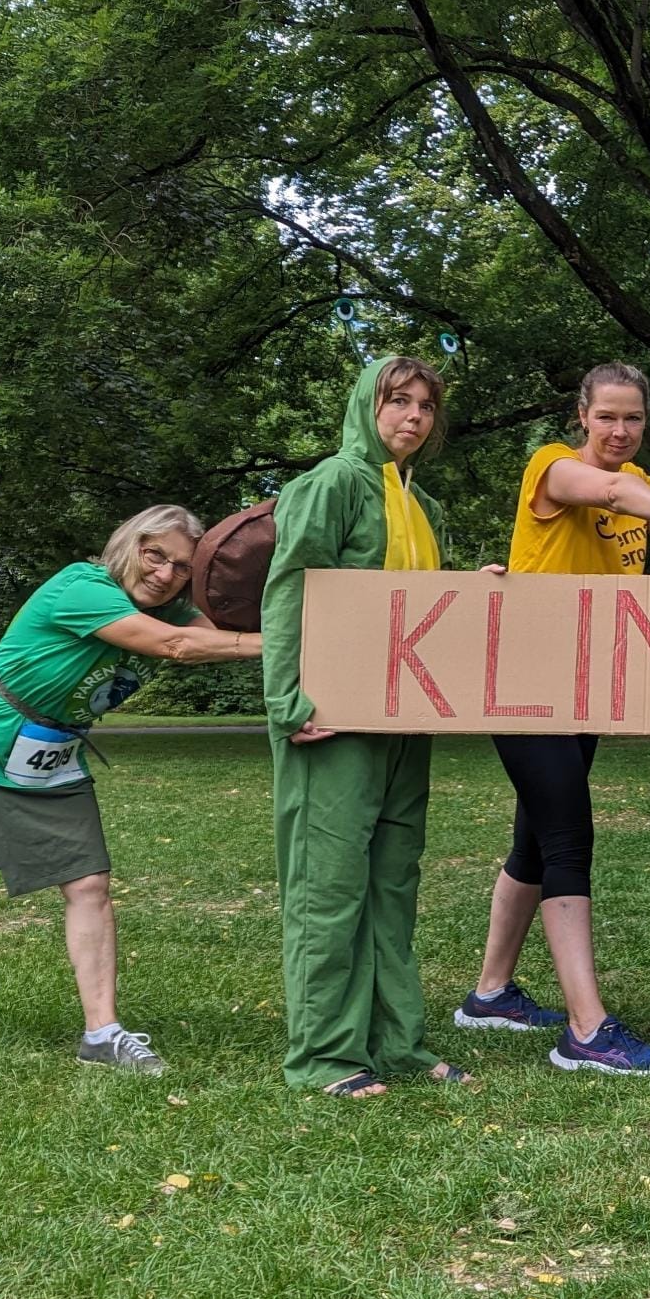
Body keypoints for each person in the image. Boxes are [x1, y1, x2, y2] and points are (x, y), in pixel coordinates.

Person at [0, 505, 259, 1072]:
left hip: (52, 751)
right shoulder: (82, 586)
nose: (164, 573)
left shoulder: (177, 611)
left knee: (89, 883)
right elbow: (177, 647)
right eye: (156, 555)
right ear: (129, 545)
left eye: (181, 566)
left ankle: (102, 1034)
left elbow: (220, 640)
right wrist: (279, 641)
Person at [454, 361, 650, 1076]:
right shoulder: (552, 467)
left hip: (583, 690)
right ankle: (586, 1032)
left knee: (533, 841)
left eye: (634, 418)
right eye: (608, 415)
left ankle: (489, 995)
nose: (620, 430)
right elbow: (617, 491)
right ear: (582, 415)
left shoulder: (636, 491)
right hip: (524, 683)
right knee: (566, 839)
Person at [263, 354, 467, 1099]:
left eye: (424, 406)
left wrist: (469, 593)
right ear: (366, 404)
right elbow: (289, 592)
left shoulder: (423, 504)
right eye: (398, 401)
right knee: (330, 885)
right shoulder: (333, 484)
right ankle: (323, 1055)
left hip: (403, 723)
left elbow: (420, 606)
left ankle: (396, 1042)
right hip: (332, 721)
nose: (413, 416)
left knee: (391, 880)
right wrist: (289, 701)